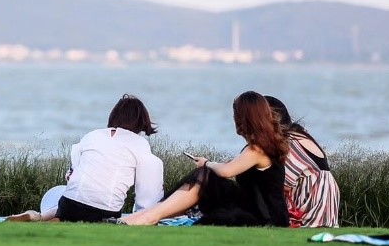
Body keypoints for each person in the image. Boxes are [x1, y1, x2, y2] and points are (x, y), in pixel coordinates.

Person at [122, 91, 289, 227]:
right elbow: (231, 169)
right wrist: (210, 166)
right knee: (206, 177)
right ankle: (146, 215)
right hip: (254, 208)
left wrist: (207, 163)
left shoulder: (257, 150)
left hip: (266, 217)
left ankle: (149, 216)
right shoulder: (259, 147)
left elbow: (226, 171)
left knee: (204, 175)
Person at [8, 94, 164, 222]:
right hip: (105, 211)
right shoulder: (140, 144)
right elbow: (148, 190)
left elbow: (71, 175)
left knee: (66, 210)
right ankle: (53, 218)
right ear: (141, 121)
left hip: (69, 203)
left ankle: (40, 217)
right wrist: (147, 214)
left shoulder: (93, 135)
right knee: (91, 212)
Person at [264, 95, 340, 228]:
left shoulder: (289, 142)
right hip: (324, 210)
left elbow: (284, 183)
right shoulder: (300, 134)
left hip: (311, 210)